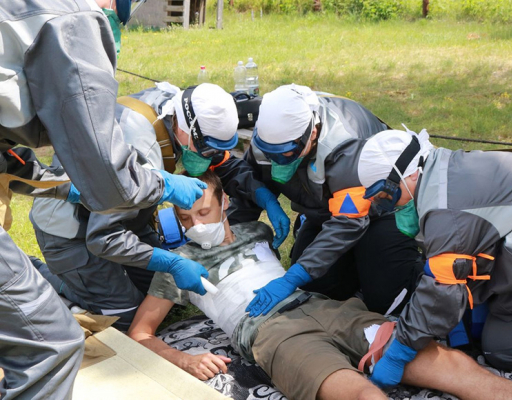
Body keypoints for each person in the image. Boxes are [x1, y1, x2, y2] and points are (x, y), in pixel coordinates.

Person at [128, 171, 512, 400]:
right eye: (185, 220)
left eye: (203, 213)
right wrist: (183, 359)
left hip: (326, 307)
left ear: (225, 204)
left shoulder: (255, 231)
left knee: (447, 364)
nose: (197, 226)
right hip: (271, 335)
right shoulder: (176, 265)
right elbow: (140, 333)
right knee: (361, 396)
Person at [0, 1, 205, 398]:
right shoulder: (70, 19)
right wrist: (160, 185)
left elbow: (9, 155)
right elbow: (105, 217)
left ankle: (46, 282)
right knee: (54, 343)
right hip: (73, 238)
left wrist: (57, 183)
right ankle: (60, 285)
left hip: (87, 222)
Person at [356, 128, 512, 391]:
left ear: (410, 174)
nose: (389, 206)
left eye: (387, 195)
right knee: (507, 351)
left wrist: (398, 353)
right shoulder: (441, 172)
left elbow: (440, 294)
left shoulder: (446, 213)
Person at [30, 82, 287, 331]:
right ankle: (40, 277)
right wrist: (172, 264)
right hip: (71, 230)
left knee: (163, 295)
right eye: (206, 150)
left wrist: (264, 196)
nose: (209, 158)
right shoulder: (137, 146)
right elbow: (103, 237)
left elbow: (224, 163)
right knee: (124, 320)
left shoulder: (178, 111)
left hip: (125, 216)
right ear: (186, 130)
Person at [236, 84, 422, 318]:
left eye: (284, 154)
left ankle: (403, 268)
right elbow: (249, 182)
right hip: (326, 211)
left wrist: (293, 276)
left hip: (384, 209)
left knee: (385, 301)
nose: (275, 161)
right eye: (268, 152)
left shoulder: (348, 149)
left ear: (311, 133)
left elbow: (347, 223)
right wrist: (258, 203)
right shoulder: (269, 136)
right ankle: (355, 269)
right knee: (316, 289)